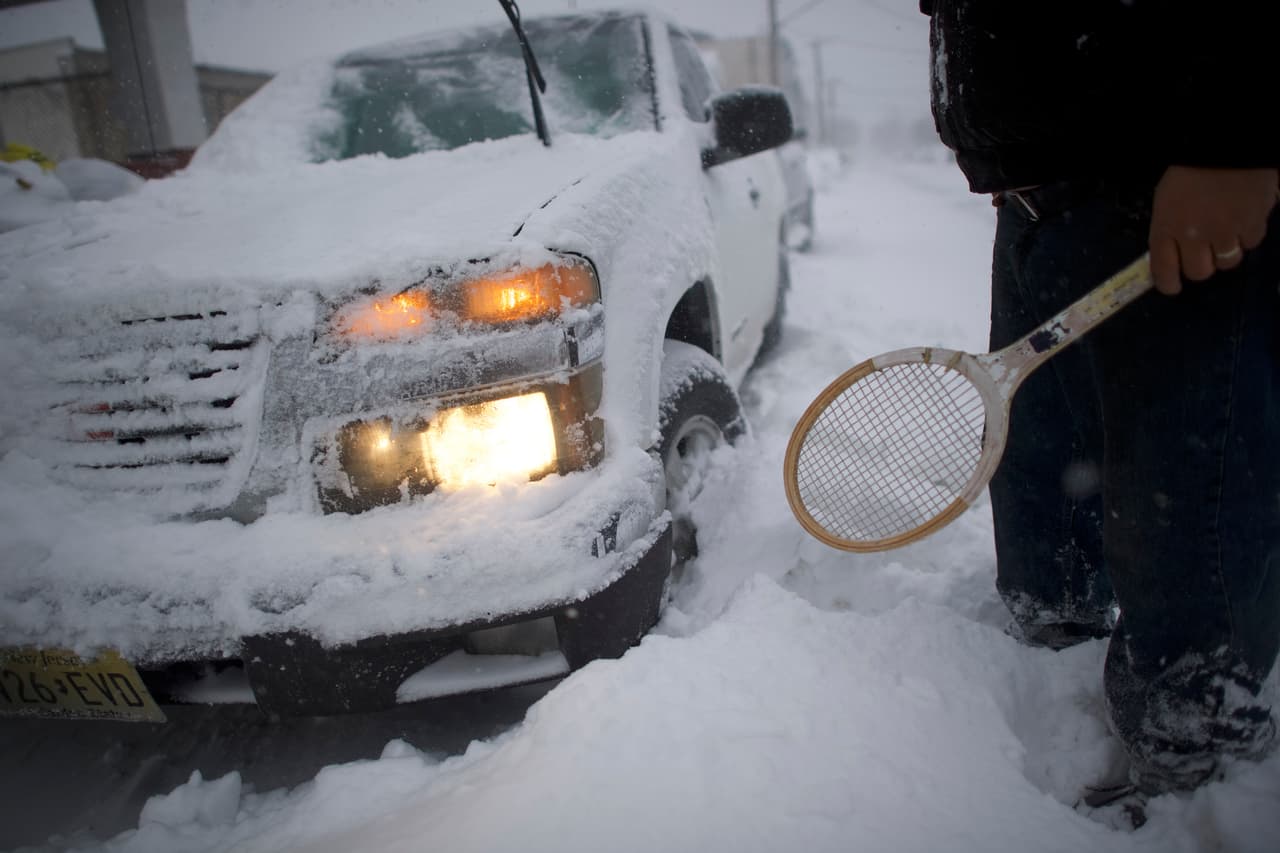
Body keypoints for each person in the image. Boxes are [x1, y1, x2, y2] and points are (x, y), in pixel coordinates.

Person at [918, 0, 1280, 823]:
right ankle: (1056, 657)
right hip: (1046, 197)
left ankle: (1202, 777)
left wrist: (1236, 133)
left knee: (1185, 499)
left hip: (1170, 183)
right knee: (1046, 493)